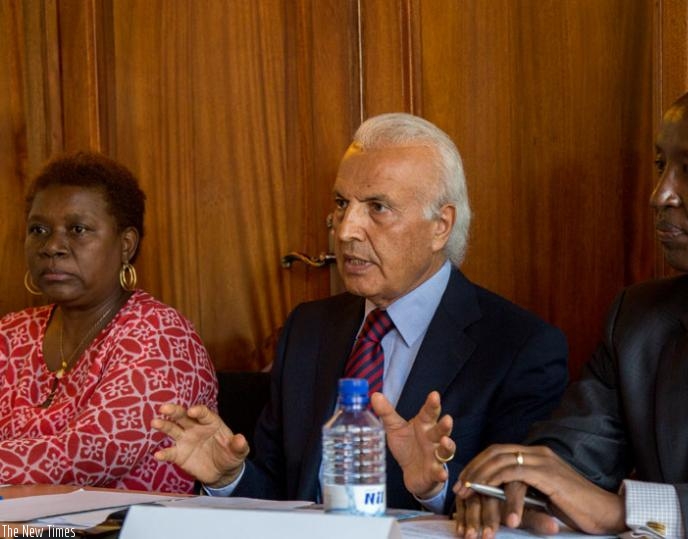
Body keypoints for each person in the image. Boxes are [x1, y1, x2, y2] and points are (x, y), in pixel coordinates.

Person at [454, 70, 688, 538]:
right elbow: (572, 455)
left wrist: (628, 509)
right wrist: (521, 486)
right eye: (660, 166)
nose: (660, 195)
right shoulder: (640, 319)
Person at [153, 112, 569, 511]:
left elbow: (519, 510)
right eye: (341, 202)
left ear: (440, 226)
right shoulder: (309, 329)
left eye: (377, 207)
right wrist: (230, 478)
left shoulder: (519, 348)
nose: (346, 229)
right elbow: (282, 494)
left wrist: (435, 490)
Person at [0, 152, 218, 493]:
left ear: (126, 245)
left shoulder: (160, 335)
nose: (52, 246)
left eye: (78, 229)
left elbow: (89, 457)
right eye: (38, 230)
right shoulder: (11, 334)